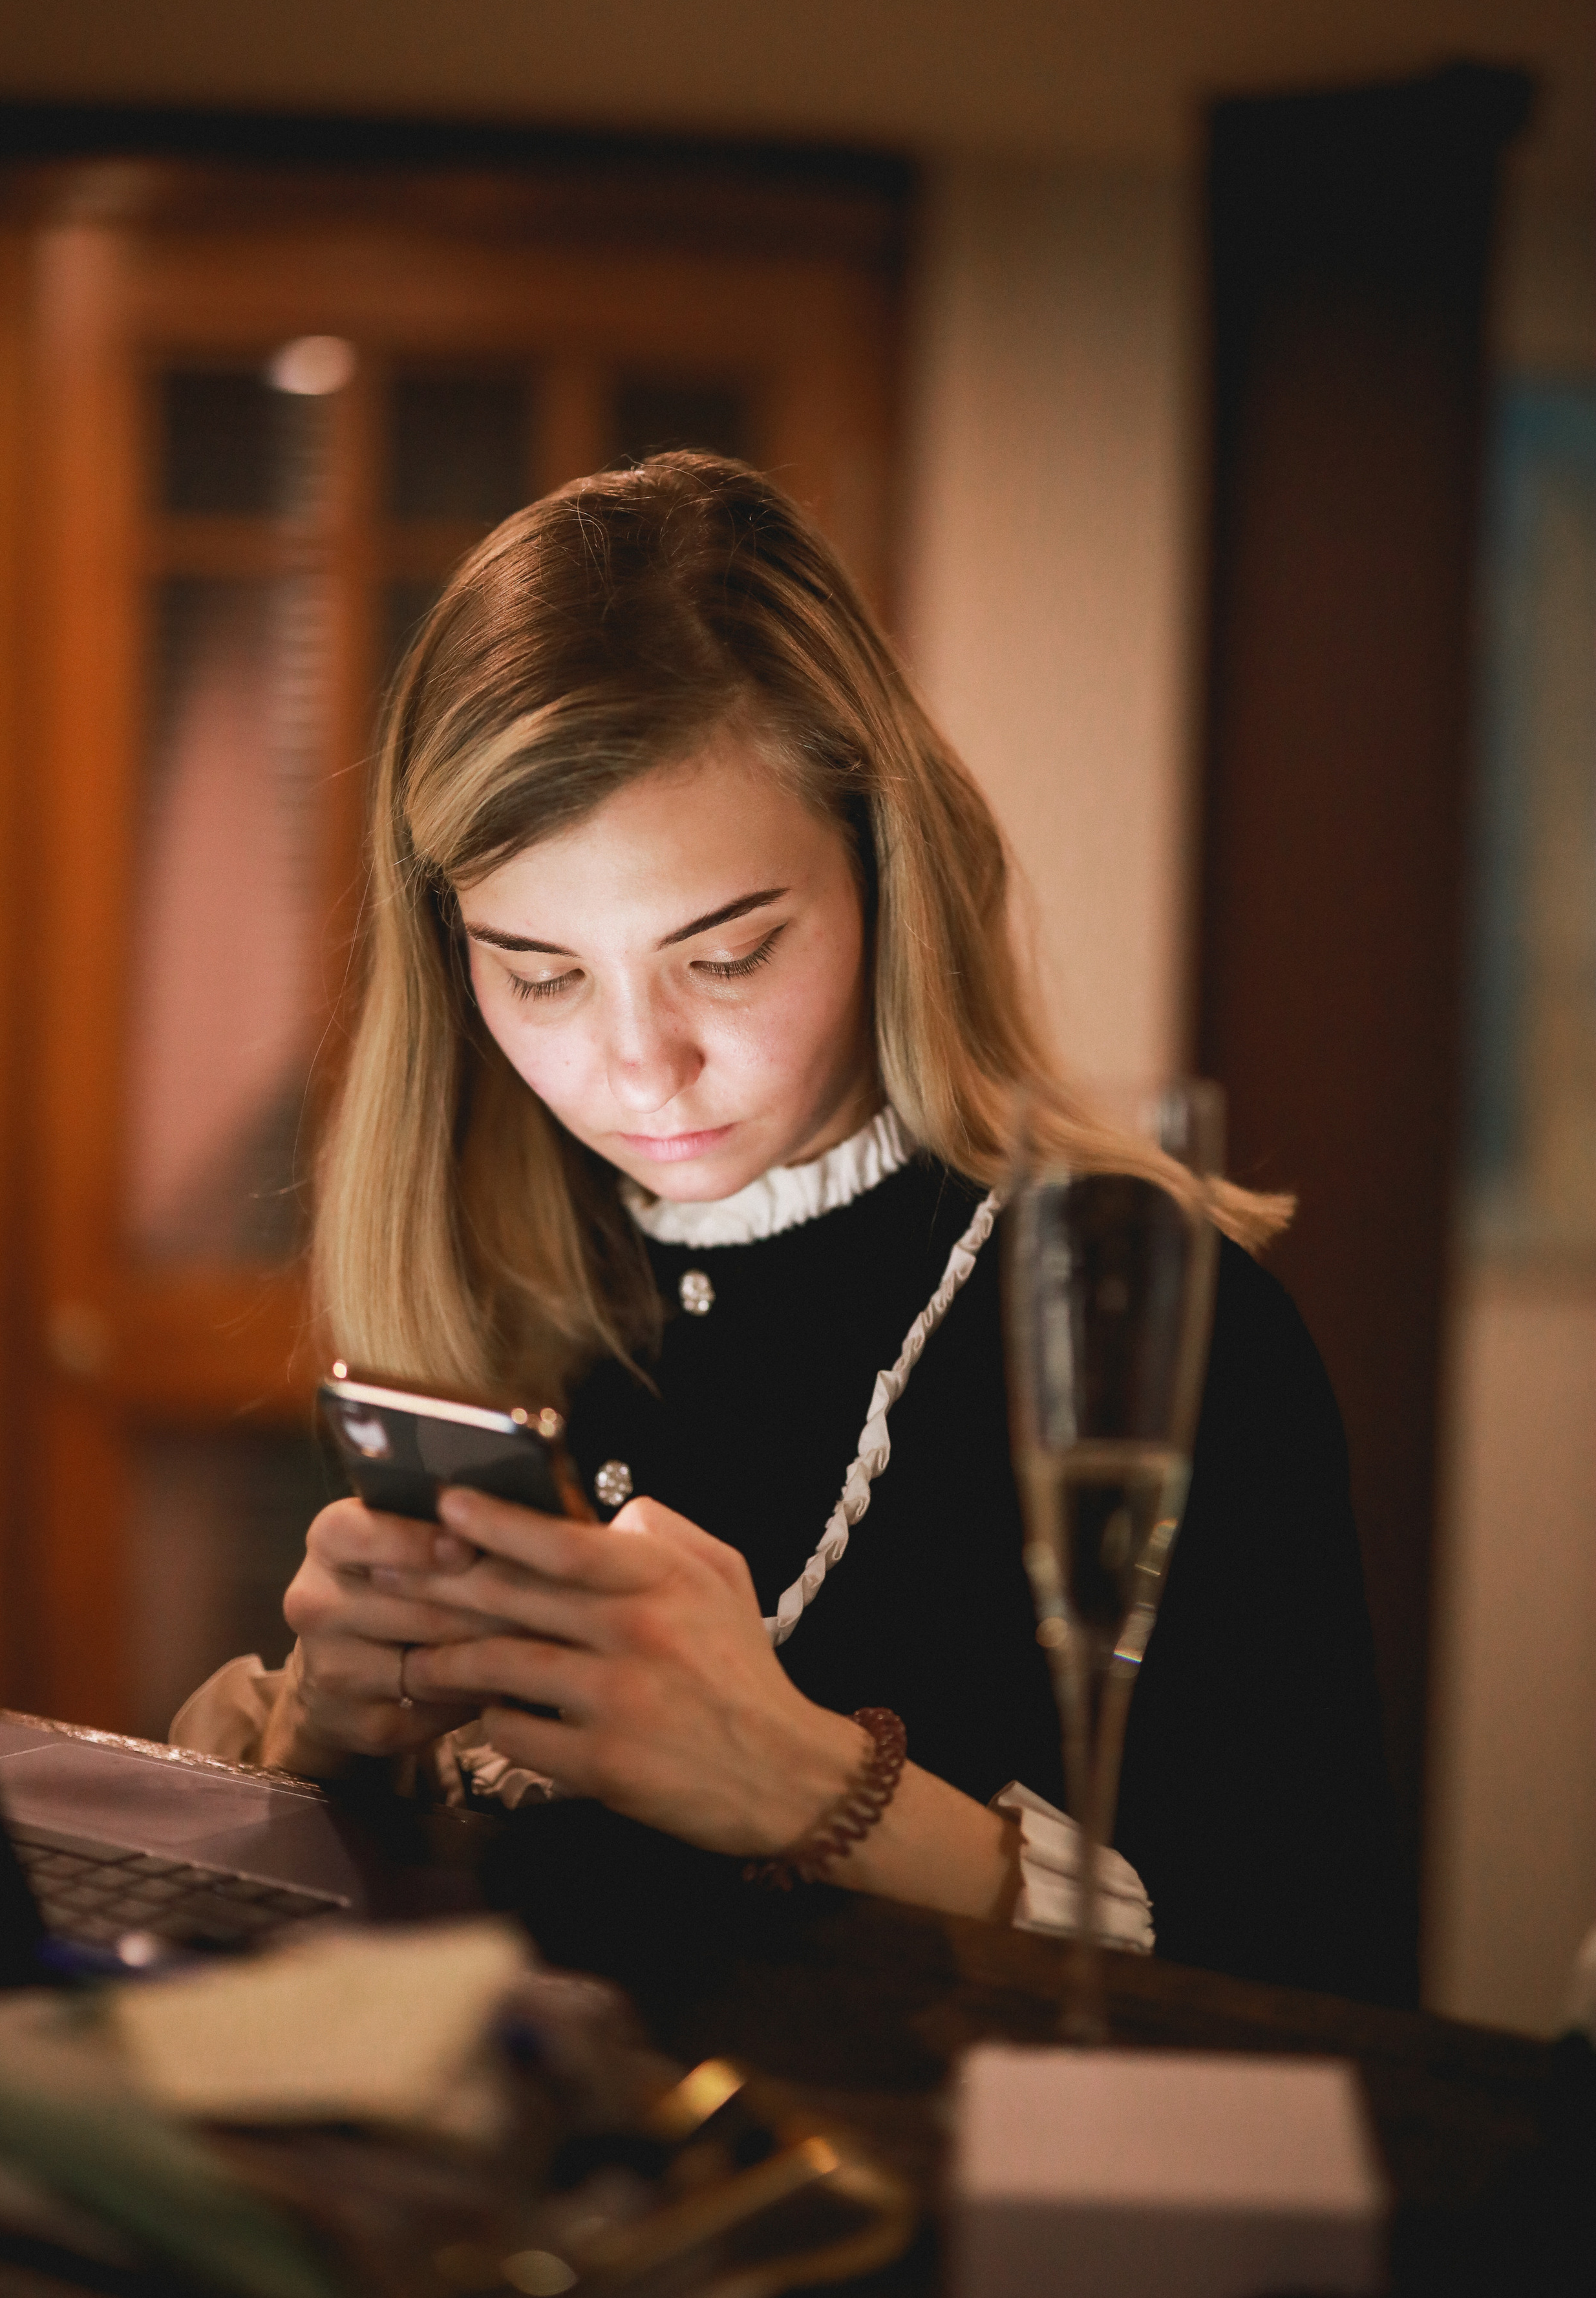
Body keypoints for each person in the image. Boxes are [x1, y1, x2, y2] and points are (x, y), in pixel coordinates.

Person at [173, 452, 1414, 2005]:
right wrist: (320, 1747)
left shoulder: (1157, 1321)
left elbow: (1323, 1995)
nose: (637, 1067)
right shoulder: (476, 1289)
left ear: (888, 875)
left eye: (731, 954)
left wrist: (813, 1791)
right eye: (540, 975)